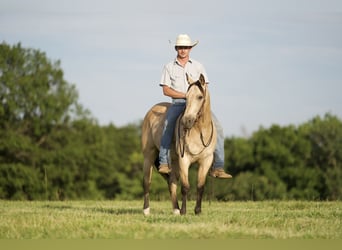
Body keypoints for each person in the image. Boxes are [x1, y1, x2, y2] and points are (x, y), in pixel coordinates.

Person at [158, 34, 232, 179]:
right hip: (179, 103)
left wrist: (196, 99)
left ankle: (218, 167)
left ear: (190, 48)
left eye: (186, 47)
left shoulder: (199, 66)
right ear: (176, 48)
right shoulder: (169, 67)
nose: (183, 50)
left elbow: (205, 88)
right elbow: (166, 90)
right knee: (168, 125)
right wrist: (184, 96)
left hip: (198, 105)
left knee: (218, 128)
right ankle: (164, 162)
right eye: (180, 47)